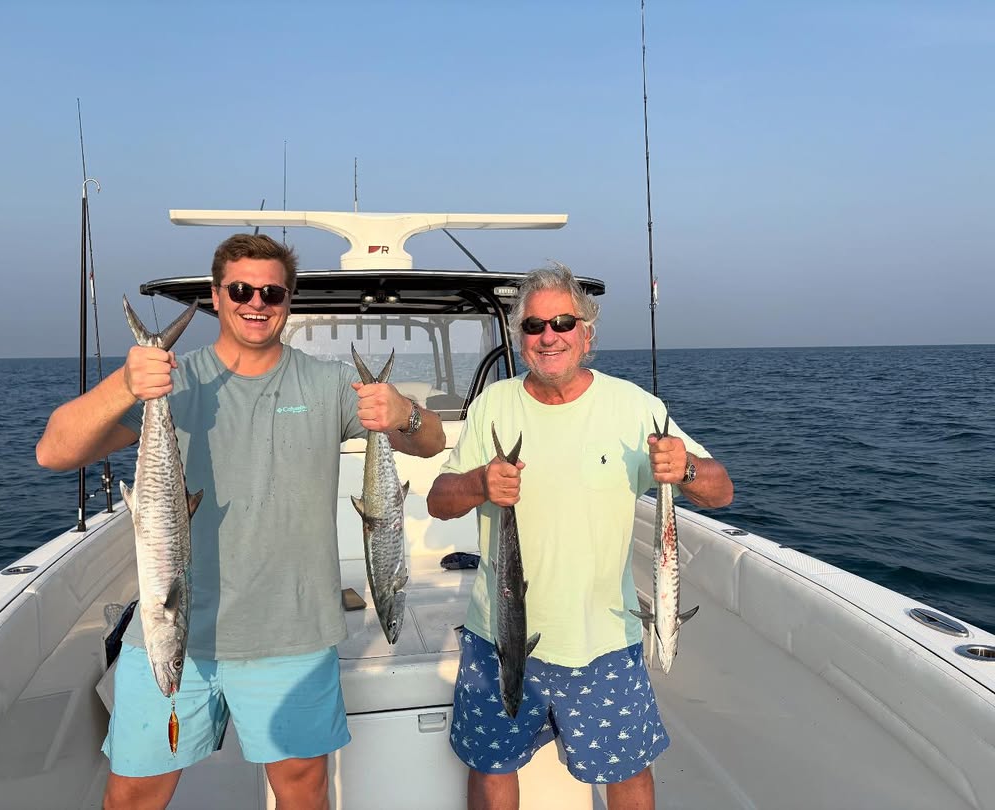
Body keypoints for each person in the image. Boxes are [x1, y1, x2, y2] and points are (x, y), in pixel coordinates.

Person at [36, 233, 445, 810]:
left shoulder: (327, 384)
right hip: (172, 629)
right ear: (216, 295)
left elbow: (432, 442)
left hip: (293, 634)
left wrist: (405, 413)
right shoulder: (171, 381)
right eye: (241, 290)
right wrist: (125, 383)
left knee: (302, 792)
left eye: (272, 292)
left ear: (288, 299)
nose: (257, 302)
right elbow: (54, 451)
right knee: (132, 794)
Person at [426, 262, 733, 810]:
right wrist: (478, 482)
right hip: (499, 637)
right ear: (520, 338)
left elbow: (721, 491)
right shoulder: (493, 404)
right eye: (535, 326)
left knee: (629, 774)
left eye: (563, 323)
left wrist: (684, 468)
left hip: (603, 642)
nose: (549, 336)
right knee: (491, 769)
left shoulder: (635, 407)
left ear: (586, 335)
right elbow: (439, 500)